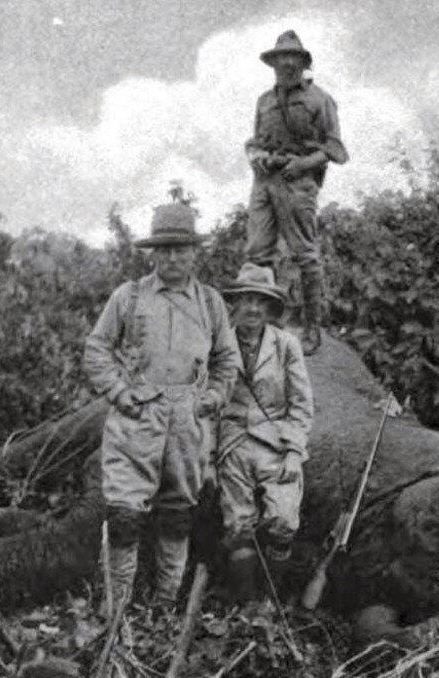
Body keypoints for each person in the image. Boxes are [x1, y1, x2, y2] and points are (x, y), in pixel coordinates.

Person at [84, 203, 239, 614]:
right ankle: (116, 610)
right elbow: (97, 349)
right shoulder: (129, 296)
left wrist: (212, 398)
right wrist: (120, 393)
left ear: (194, 252)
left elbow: (227, 360)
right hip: (137, 417)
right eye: (164, 250)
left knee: (177, 516)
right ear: (153, 253)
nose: (172, 258)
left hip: (188, 420)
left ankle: (165, 607)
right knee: (123, 515)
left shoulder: (210, 303)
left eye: (181, 249)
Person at [245, 30, 349, 355]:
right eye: (280, 58)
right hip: (265, 181)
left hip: (298, 182)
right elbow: (254, 143)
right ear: (273, 63)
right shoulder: (264, 101)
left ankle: (312, 329)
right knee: (257, 253)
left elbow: (335, 149)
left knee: (305, 254)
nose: (285, 64)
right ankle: (266, 324)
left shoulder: (320, 99)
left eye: (292, 58)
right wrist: (258, 157)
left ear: (303, 63)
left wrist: (304, 165)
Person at [217, 263, 314, 601]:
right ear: (236, 303)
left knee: (284, 521)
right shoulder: (219, 344)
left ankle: (272, 601)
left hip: (275, 440)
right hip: (232, 440)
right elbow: (205, 400)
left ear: (270, 306)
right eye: (246, 300)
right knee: (238, 524)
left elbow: (301, 404)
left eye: (261, 301)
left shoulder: (286, 345)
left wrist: (292, 451)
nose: (253, 308)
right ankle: (248, 606)